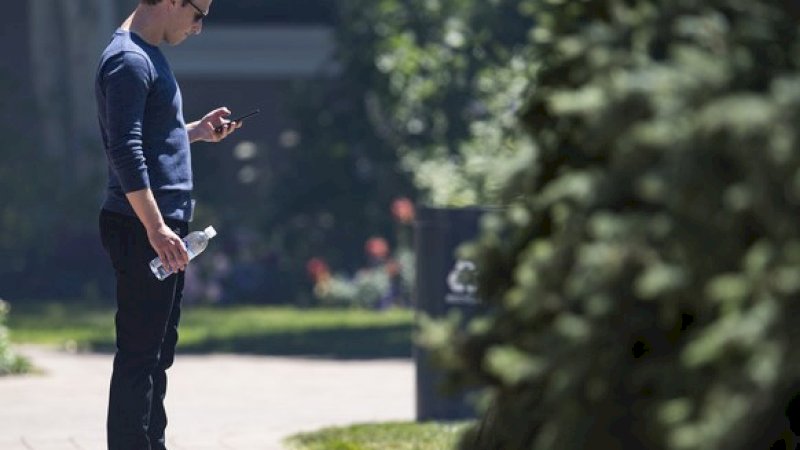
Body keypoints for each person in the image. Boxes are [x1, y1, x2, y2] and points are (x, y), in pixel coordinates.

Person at [94, 0, 240, 448]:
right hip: (143, 227)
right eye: (199, 15)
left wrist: (195, 131)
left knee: (157, 355)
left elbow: (152, 136)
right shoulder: (129, 60)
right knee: (140, 357)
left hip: (158, 227)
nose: (198, 28)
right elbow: (126, 151)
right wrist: (156, 229)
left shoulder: (147, 55)